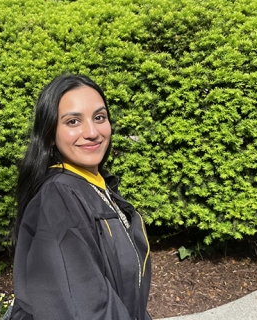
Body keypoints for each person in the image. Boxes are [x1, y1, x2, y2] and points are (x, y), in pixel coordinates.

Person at [9, 74, 152, 320]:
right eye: (73, 121)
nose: (92, 132)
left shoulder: (95, 186)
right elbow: (83, 309)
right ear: (50, 134)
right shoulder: (59, 198)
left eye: (99, 117)